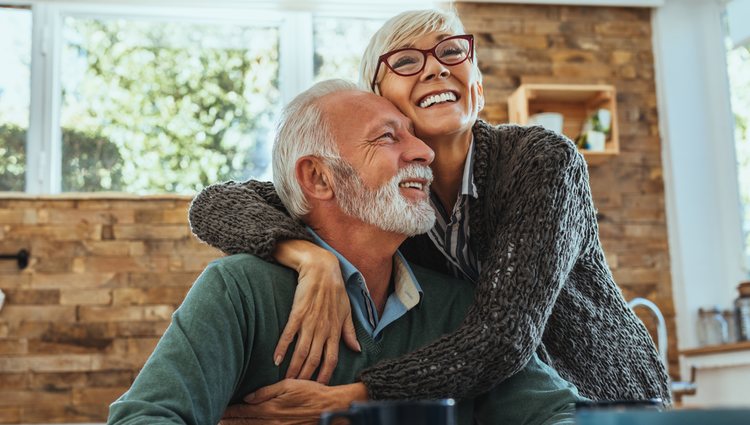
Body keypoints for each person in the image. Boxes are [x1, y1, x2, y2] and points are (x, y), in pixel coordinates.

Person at [189, 8, 671, 406]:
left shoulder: (542, 161)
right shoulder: (385, 199)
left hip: (603, 400)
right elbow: (216, 203)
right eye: (405, 61)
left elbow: (502, 337)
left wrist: (356, 396)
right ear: (379, 102)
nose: (436, 68)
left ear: (476, 85)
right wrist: (307, 255)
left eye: (451, 51)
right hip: (497, 406)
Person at [108, 79, 584, 425]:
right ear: (318, 178)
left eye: (413, 136)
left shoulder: (459, 305)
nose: (424, 152)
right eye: (388, 137)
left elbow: (559, 416)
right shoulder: (240, 291)